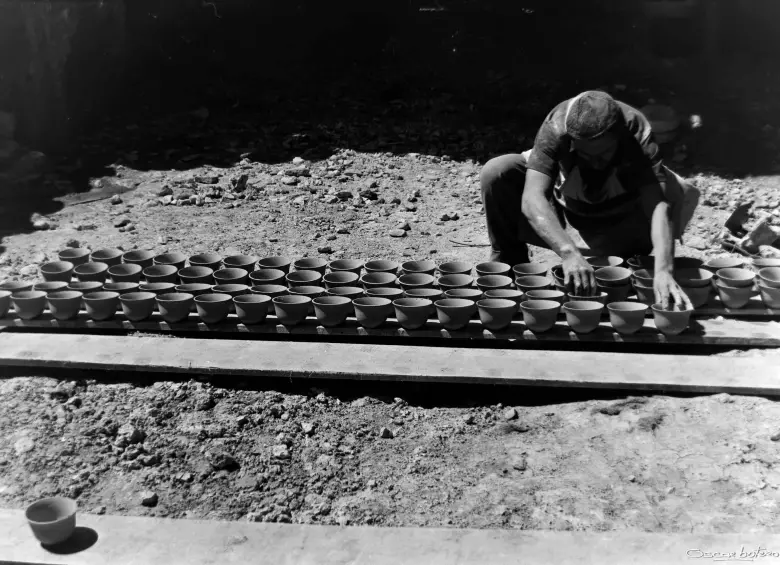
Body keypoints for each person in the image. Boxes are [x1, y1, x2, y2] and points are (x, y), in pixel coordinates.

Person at [480, 90, 699, 310]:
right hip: (569, 202)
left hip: (622, 213)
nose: (594, 163)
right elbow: (532, 198)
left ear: (617, 139)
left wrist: (663, 270)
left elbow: (657, 205)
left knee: (669, 193)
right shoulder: (556, 127)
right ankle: (508, 263)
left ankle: (627, 259)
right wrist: (568, 252)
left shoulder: (636, 132)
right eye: (585, 154)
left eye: (602, 154)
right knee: (498, 170)